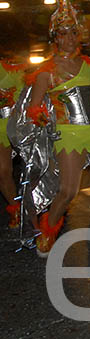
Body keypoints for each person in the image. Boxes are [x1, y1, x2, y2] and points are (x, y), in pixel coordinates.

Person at [25, 0, 90, 255]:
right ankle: (48, 230)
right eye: (62, 34)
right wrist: (41, 118)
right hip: (69, 133)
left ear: (79, 36)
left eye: (72, 33)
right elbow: (34, 106)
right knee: (68, 191)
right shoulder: (46, 71)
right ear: (55, 37)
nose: (68, 38)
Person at [0, 57, 27, 228]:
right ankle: (15, 208)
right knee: (3, 170)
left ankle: (38, 206)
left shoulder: (13, 71)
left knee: (34, 168)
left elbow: (24, 98)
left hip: (17, 125)